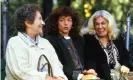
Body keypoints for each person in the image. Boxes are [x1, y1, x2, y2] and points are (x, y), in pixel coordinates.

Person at [5, 4, 67, 80]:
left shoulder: (45, 42)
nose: (43, 23)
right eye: (40, 19)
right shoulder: (14, 43)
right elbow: (21, 71)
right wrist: (46, 78)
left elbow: (56, 65)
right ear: (28, 22)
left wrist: (60, 77)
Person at [45, 7, 97, 80]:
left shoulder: (79, 39)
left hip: (84, 75)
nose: (66, 23)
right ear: (56, 22)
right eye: (61, 20)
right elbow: (58, 66)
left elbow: (86, 59)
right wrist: (79, 76)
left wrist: (88, 70)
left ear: (73, 23)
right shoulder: (51, 40)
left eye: (69, 20)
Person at [83, 10, 130, 80]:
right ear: (93, 25)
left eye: (103, 23)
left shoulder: (116, 38)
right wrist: (91, 70)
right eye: (97, 24)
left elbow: (126, 56)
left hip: (122, 76)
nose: (100, 27)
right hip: (102, 77)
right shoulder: (89, 40)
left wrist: (125, 66)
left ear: (109, 24)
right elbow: (90, 60)